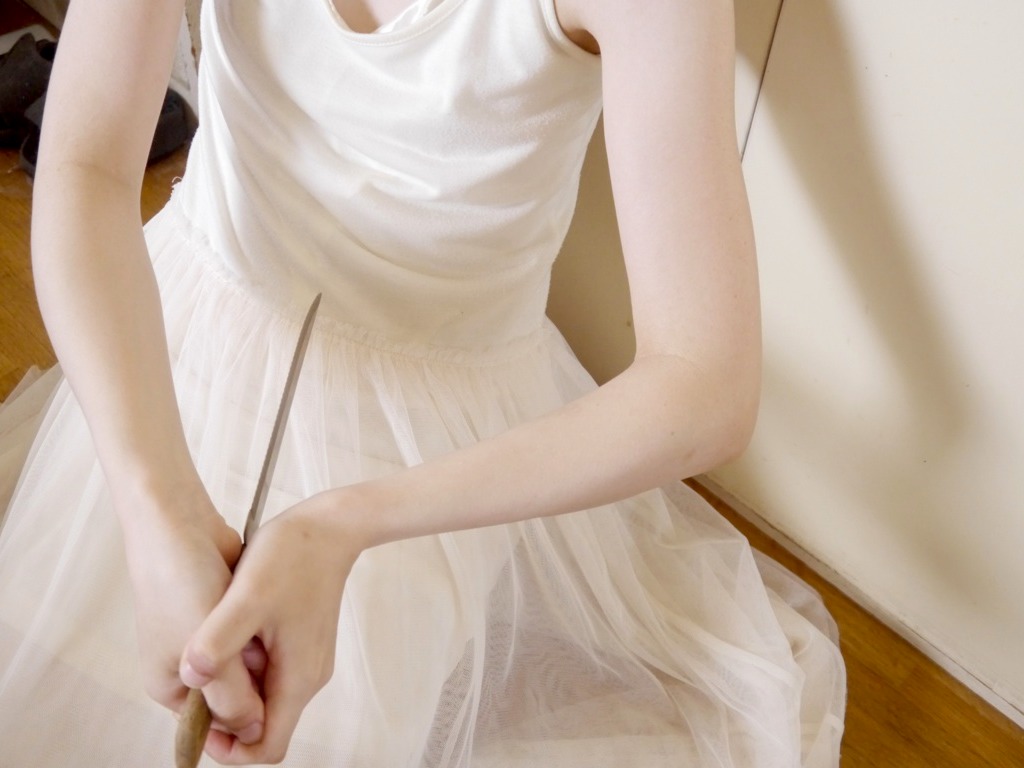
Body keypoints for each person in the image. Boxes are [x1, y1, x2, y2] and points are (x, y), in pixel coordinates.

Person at [0, 0, 846, 765]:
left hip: (420, 457)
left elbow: (706, 384)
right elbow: (86, 163)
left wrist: (340, 526)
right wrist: (160, 507)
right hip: (166, 341)